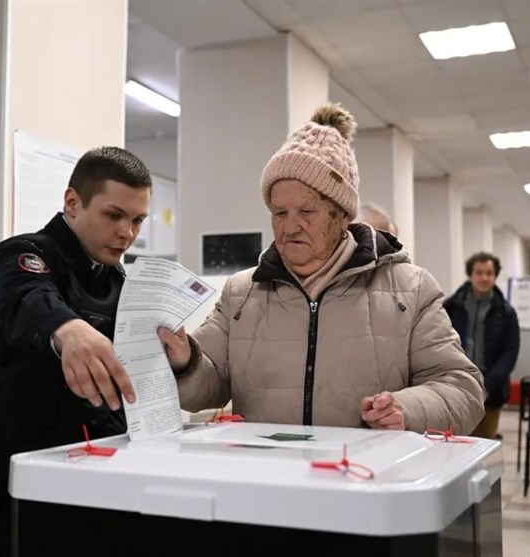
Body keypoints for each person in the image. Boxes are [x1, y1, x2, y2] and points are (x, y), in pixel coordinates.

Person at [158, 103, 485, 435]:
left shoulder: (410, 290)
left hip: (363, 479)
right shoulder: (241, 294)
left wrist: (410, 409)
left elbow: (463, 389)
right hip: (267, 479)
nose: (290, 227)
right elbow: (209, 386)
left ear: (341, 215)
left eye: (306, 211)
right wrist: (186, 360)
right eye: (279, 213)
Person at [0, 146, 151, 556]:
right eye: (114, 215)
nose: (127, 233)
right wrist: (67, 329)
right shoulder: (17, 259)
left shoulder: (115, 283)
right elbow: (27, 298)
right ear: (72, 203)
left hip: (69, 492)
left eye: (137, 220)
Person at [443, 252, 520, 439]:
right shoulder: (451, 307)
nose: (484, 278)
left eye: (489, 273)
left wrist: (489, 384)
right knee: (453, 446)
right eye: (479, 272)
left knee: (484, 445)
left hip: (491, 391)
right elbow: (440, 342)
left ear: (495, 276)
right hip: (454, 388)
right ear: (470, 275)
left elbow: (510, 352)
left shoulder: (506, 312)